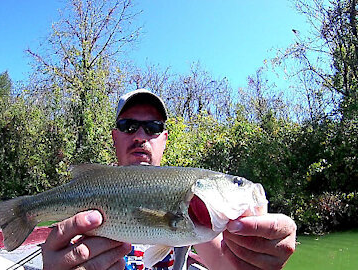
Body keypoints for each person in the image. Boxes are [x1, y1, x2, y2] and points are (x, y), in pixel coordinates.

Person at [41, 89, 297, 270]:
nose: (140, 135)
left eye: (152, 127)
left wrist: (255, 260)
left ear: (164, 139)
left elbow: (228, 265)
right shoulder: (78, 217)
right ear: (114, 136)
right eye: (129, 125)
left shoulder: (204, 222)